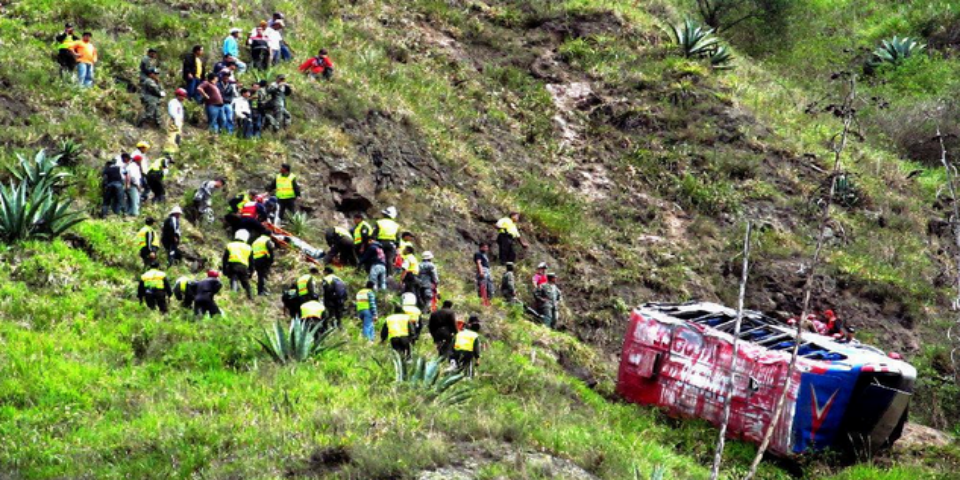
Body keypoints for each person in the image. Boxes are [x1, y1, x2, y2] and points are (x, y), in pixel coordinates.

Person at [222, 229, 253, 299]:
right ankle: (250, 297)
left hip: (232, 266)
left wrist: (224, 269)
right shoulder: (248, 247)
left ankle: (233, 296)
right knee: (246, 283)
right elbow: (251, 262)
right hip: (244, 267)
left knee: (234, 280)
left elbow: (224, 259)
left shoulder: (230, 245)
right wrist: (251, 272)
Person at [374, 206, 400, 275]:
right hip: (391, 244)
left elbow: (374, 234)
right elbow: (398, 238)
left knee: (378, 258)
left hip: (380, 242)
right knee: (389, 260)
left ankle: (377, 274)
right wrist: (398, 247)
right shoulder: (396, 225)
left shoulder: (379, 222)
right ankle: (390, 276)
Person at [166, 88, 187, 153]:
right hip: (174, 121)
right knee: (172, 135)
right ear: (178, 95)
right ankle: (170, 151)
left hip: (178, 121)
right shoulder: (173, 102)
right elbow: (172, 112)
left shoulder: (179, 103)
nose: (184, 98)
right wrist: (176, 121)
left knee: (177, 136)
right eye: (182, 96)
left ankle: (175, 150)